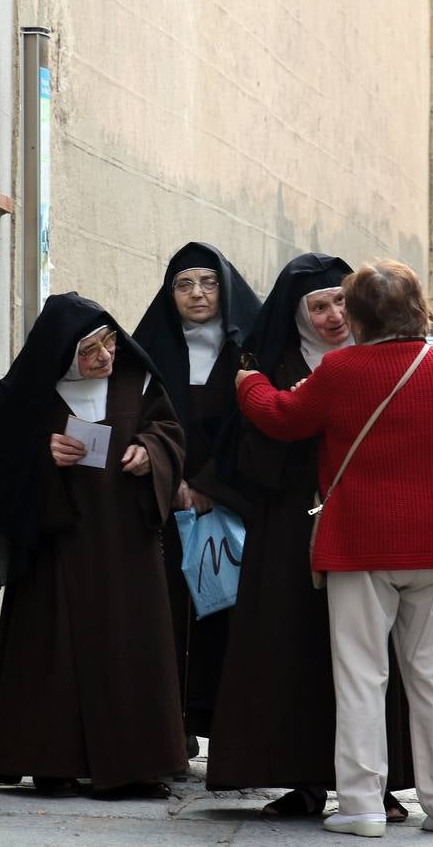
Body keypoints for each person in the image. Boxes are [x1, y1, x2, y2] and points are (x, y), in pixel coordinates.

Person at [236, 260, 433, 839]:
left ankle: (362, 807)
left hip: (361, 545)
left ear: (359, 315)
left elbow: (282, 417)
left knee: (361, 677)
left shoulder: (343, 369)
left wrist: (248, 382)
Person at [0, 293, 188, 798]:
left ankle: (133, 767)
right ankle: (50, 761)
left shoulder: (136, 380)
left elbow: (169, 433)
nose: (105, 357)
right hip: (56, 544)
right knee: (52, 653)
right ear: (63, 353)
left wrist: (150, 453)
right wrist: (43, 453)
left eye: (110, 343)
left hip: (125, 547)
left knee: (128, 645)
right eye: (90, 350)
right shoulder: (33, 393)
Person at [206, 254, 413, 823]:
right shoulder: (272, 364)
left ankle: (379, 784)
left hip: (366, 524)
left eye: (341, 302)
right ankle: (300, 779)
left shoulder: (377, 358)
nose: (332, 317)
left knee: (374, 656)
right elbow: (245, 456)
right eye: (318, 307)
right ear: (298, 316)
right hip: (290, 525)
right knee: (293, 648)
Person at [133, 242, 260, 755]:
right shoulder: (148, 349)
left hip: (231, 504)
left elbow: (254, 426)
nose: (197, 293)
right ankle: (170, 728)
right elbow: (136, 419)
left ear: (225, 288)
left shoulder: (248, 350)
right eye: (184, 284)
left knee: (227, 617)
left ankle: (227, 729)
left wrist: (208, 485)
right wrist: (172, 479)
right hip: (164, 504)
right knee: (163, 612)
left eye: (208, 282)